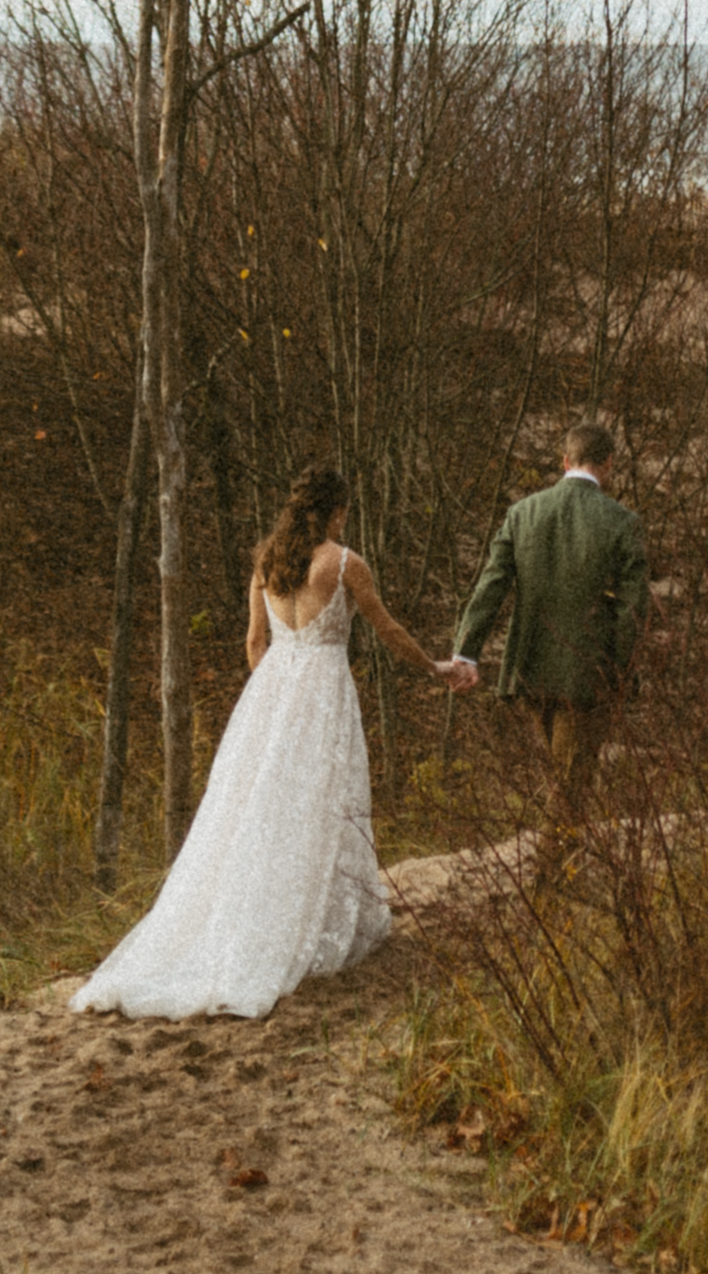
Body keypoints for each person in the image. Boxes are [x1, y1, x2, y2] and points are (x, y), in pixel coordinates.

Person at [71, 463, 478, 1020]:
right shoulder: (344, 564)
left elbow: (254, 642)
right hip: (323, 694)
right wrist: (435, 667)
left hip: (271, 693)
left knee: (254, 810)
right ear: (335, 510)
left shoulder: (267, 562)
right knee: (322, 805)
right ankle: (311, 925)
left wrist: (274, 692)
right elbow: (388, 630)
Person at [450, 413, 648, 834]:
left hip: (529, 671)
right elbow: (633, 610)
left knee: (561, 782)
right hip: (587, 675)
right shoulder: (622, 523)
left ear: (564, 460)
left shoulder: (522, 513)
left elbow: (491, 586)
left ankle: (553, 878)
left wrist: (466, 652)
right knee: (570, 790)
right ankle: (546, 889)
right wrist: (623, 672)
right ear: (609, 462)